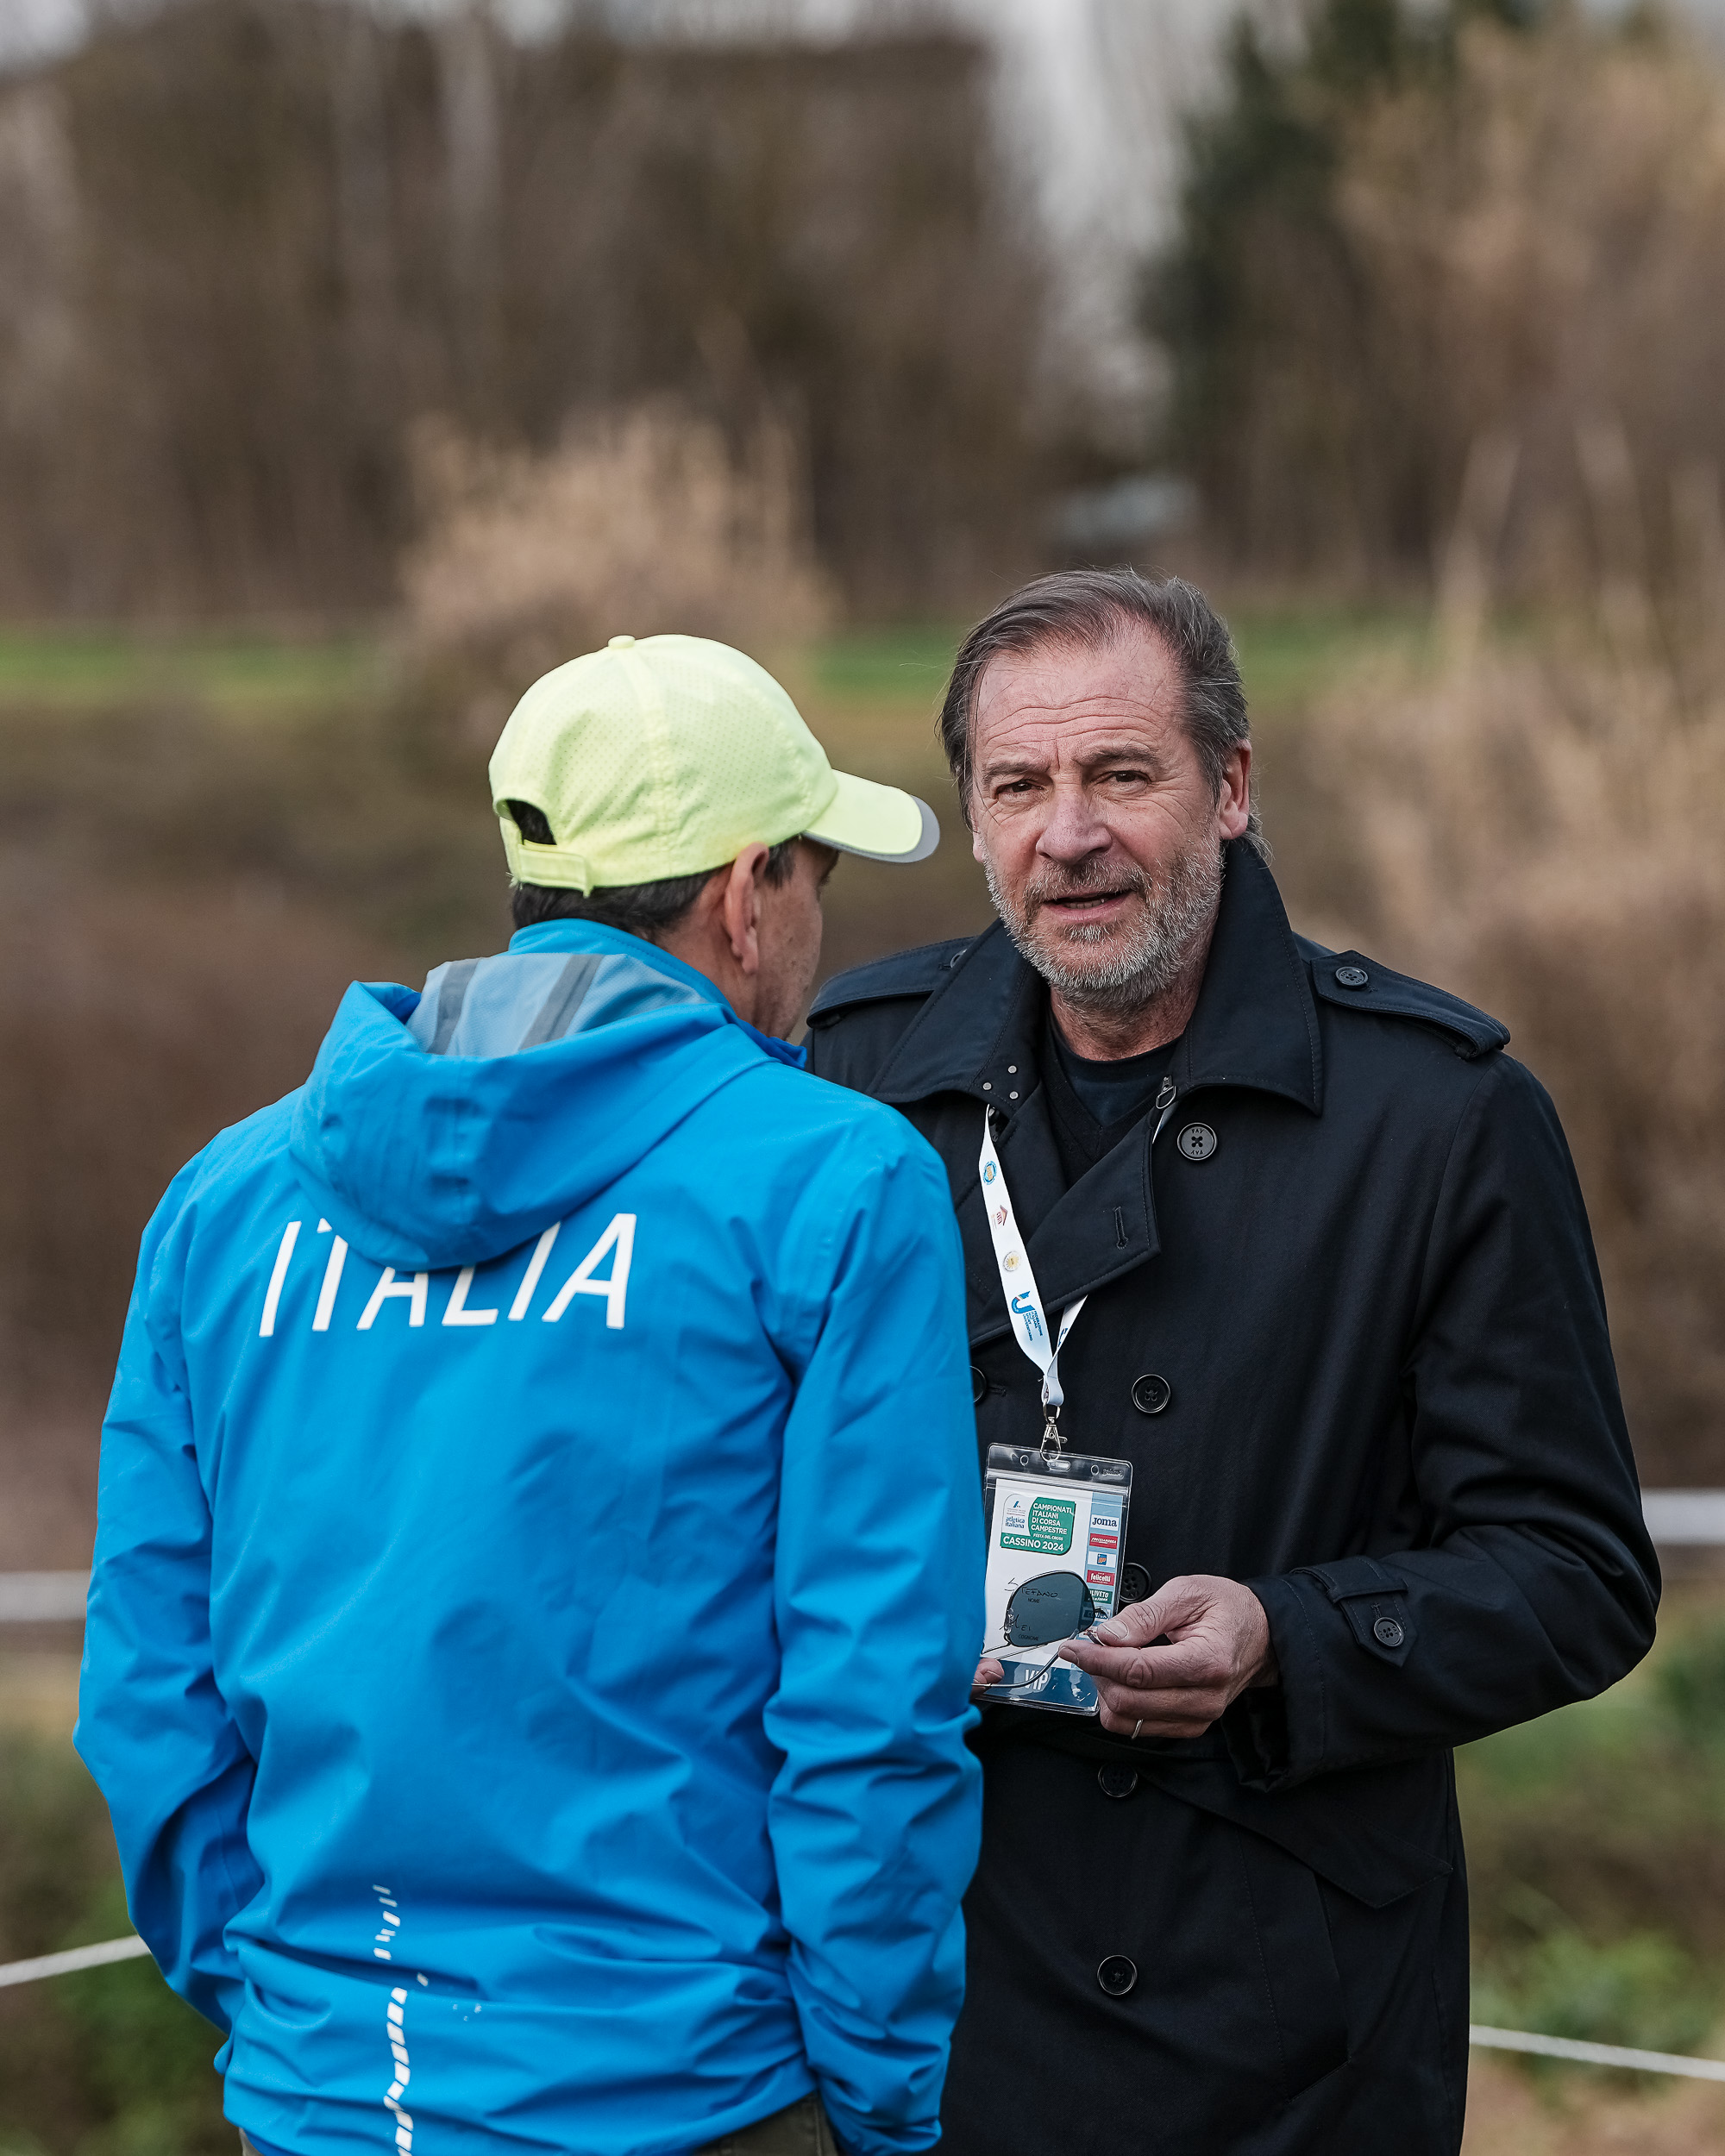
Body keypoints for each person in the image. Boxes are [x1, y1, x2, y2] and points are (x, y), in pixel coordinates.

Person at [77, 633, 983, 2156]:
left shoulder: (226, 1200)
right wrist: (880, 2097)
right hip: (689, 2093)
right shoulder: (836, 1183)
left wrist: (281, 2002)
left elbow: (149, 1684)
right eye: (817, 878)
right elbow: (872, 1712)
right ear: (746, 895)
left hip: (324, 2093)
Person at [805, 571, 1659, 2156]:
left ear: (1233, 787)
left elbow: (1578, 1575)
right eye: (1020, 786)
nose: (1069, 835)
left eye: (1122, 774)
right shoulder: (855, 1081)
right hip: (925, 1991)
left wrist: (1288, 1638)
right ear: (975, 817)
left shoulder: (1441, 1118)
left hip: (1292, 2032)